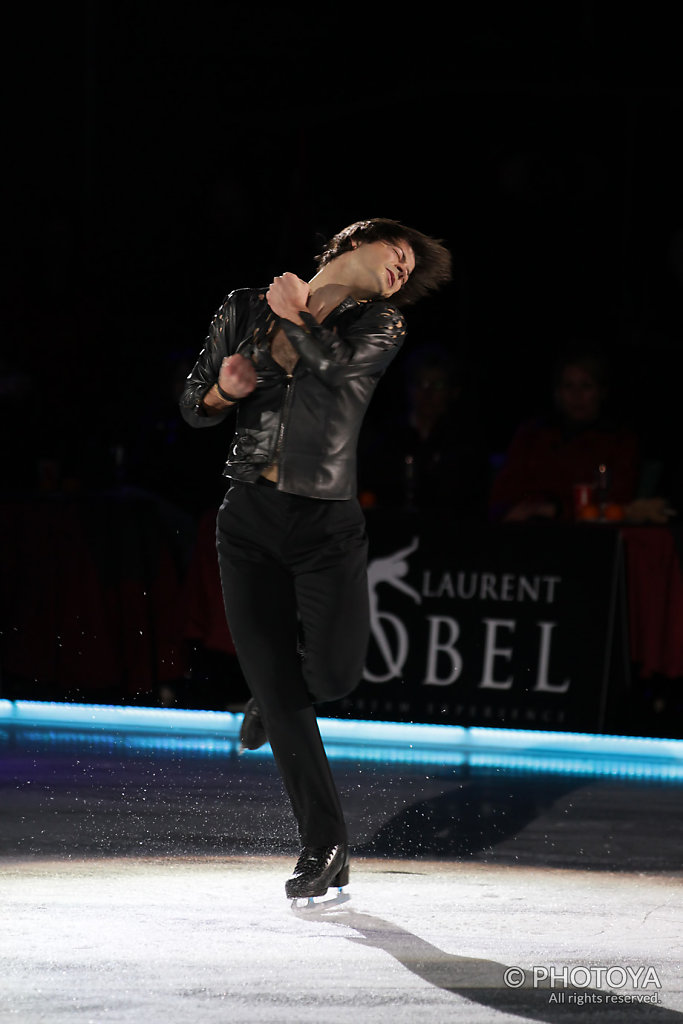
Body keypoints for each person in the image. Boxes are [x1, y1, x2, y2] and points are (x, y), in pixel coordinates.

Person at [179, 218, 451, 900]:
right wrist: (225, 393)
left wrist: (294, 312)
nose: (401, 269)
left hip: (325, 524)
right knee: (282, 687)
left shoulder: (380, 327)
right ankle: (323, 844)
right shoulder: (245, 305)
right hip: (247, 516)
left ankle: (271, 701)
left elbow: (328, 372)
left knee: (329, 675)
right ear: (348, 243)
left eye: (408, 268)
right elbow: (193, 405)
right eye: (396, 252)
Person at [489, 348, 641, 523]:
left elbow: (617, 502)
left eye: (586, 386)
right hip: (526, 531)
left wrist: (557, 510)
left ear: (601, 392)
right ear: (557, 393)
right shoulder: (532, 435)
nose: (577, 396)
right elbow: (502, 495)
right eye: (568, 386)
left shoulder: (619, 440)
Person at [358, 343, 489, 518]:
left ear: (453, 392)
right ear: (408, 388)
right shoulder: (385, 438)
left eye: (438, 385)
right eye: (421, 383)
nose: (427, 393)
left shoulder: (465, 443)